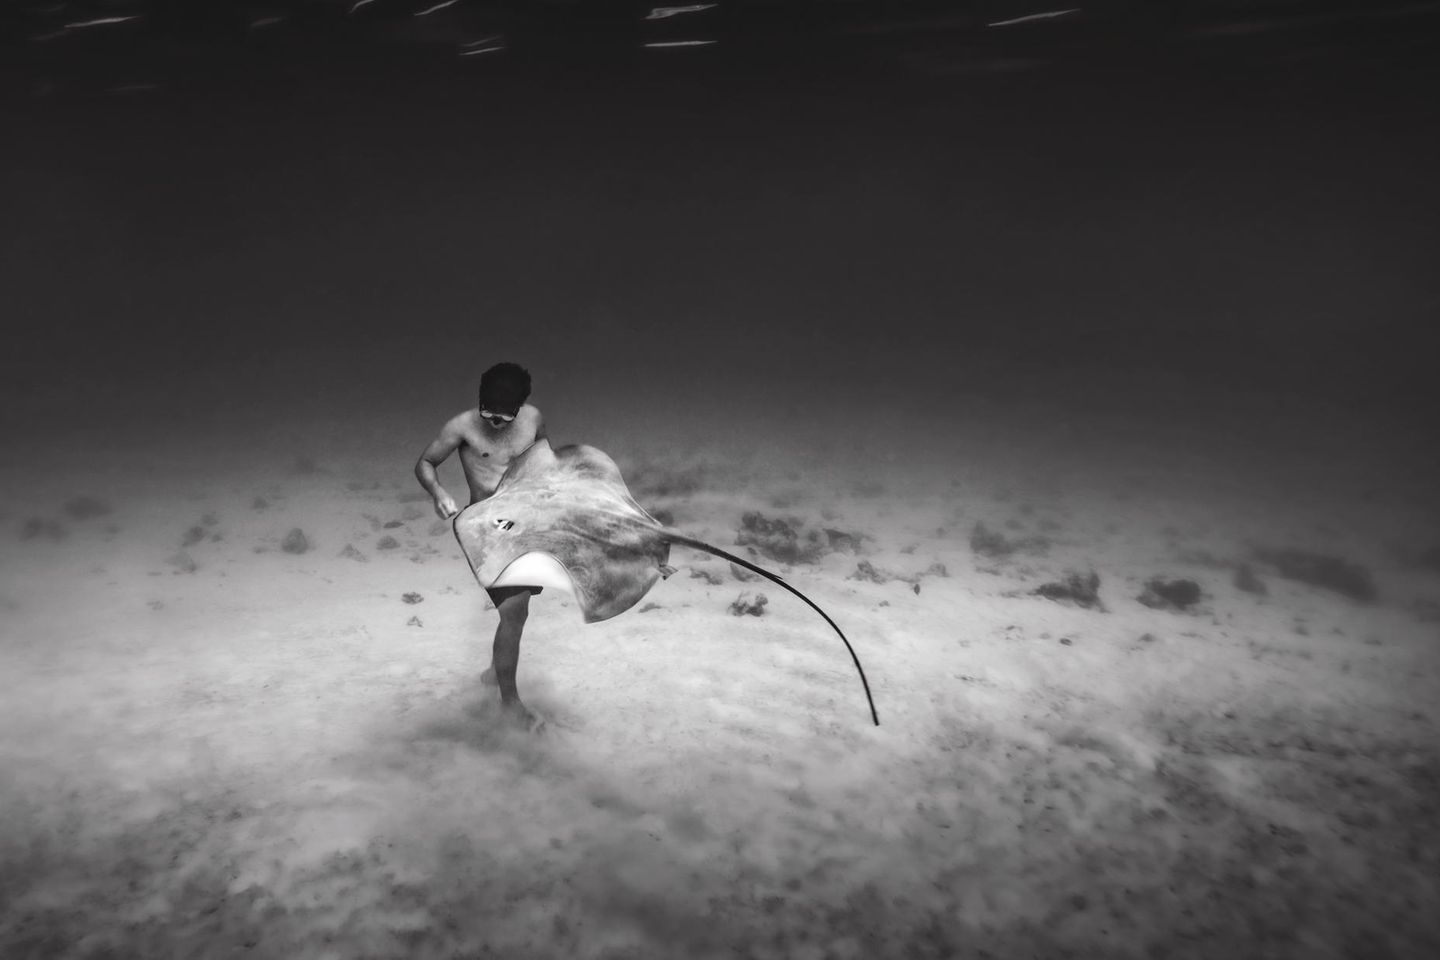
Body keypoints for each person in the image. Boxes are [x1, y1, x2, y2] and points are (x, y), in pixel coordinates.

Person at [415, 362, 547, 728]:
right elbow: (426, 462)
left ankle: (494, 672)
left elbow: (543, 466)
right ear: (479, 401)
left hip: (524, 524)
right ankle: (510, 703)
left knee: (520, 610)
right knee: (514, 613)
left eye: (505, 416)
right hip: (483, 529)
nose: (495, 423)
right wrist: (437, 492)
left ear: (522, 406)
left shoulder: (534, 420)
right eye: (488, 412)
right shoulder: (461, 426)